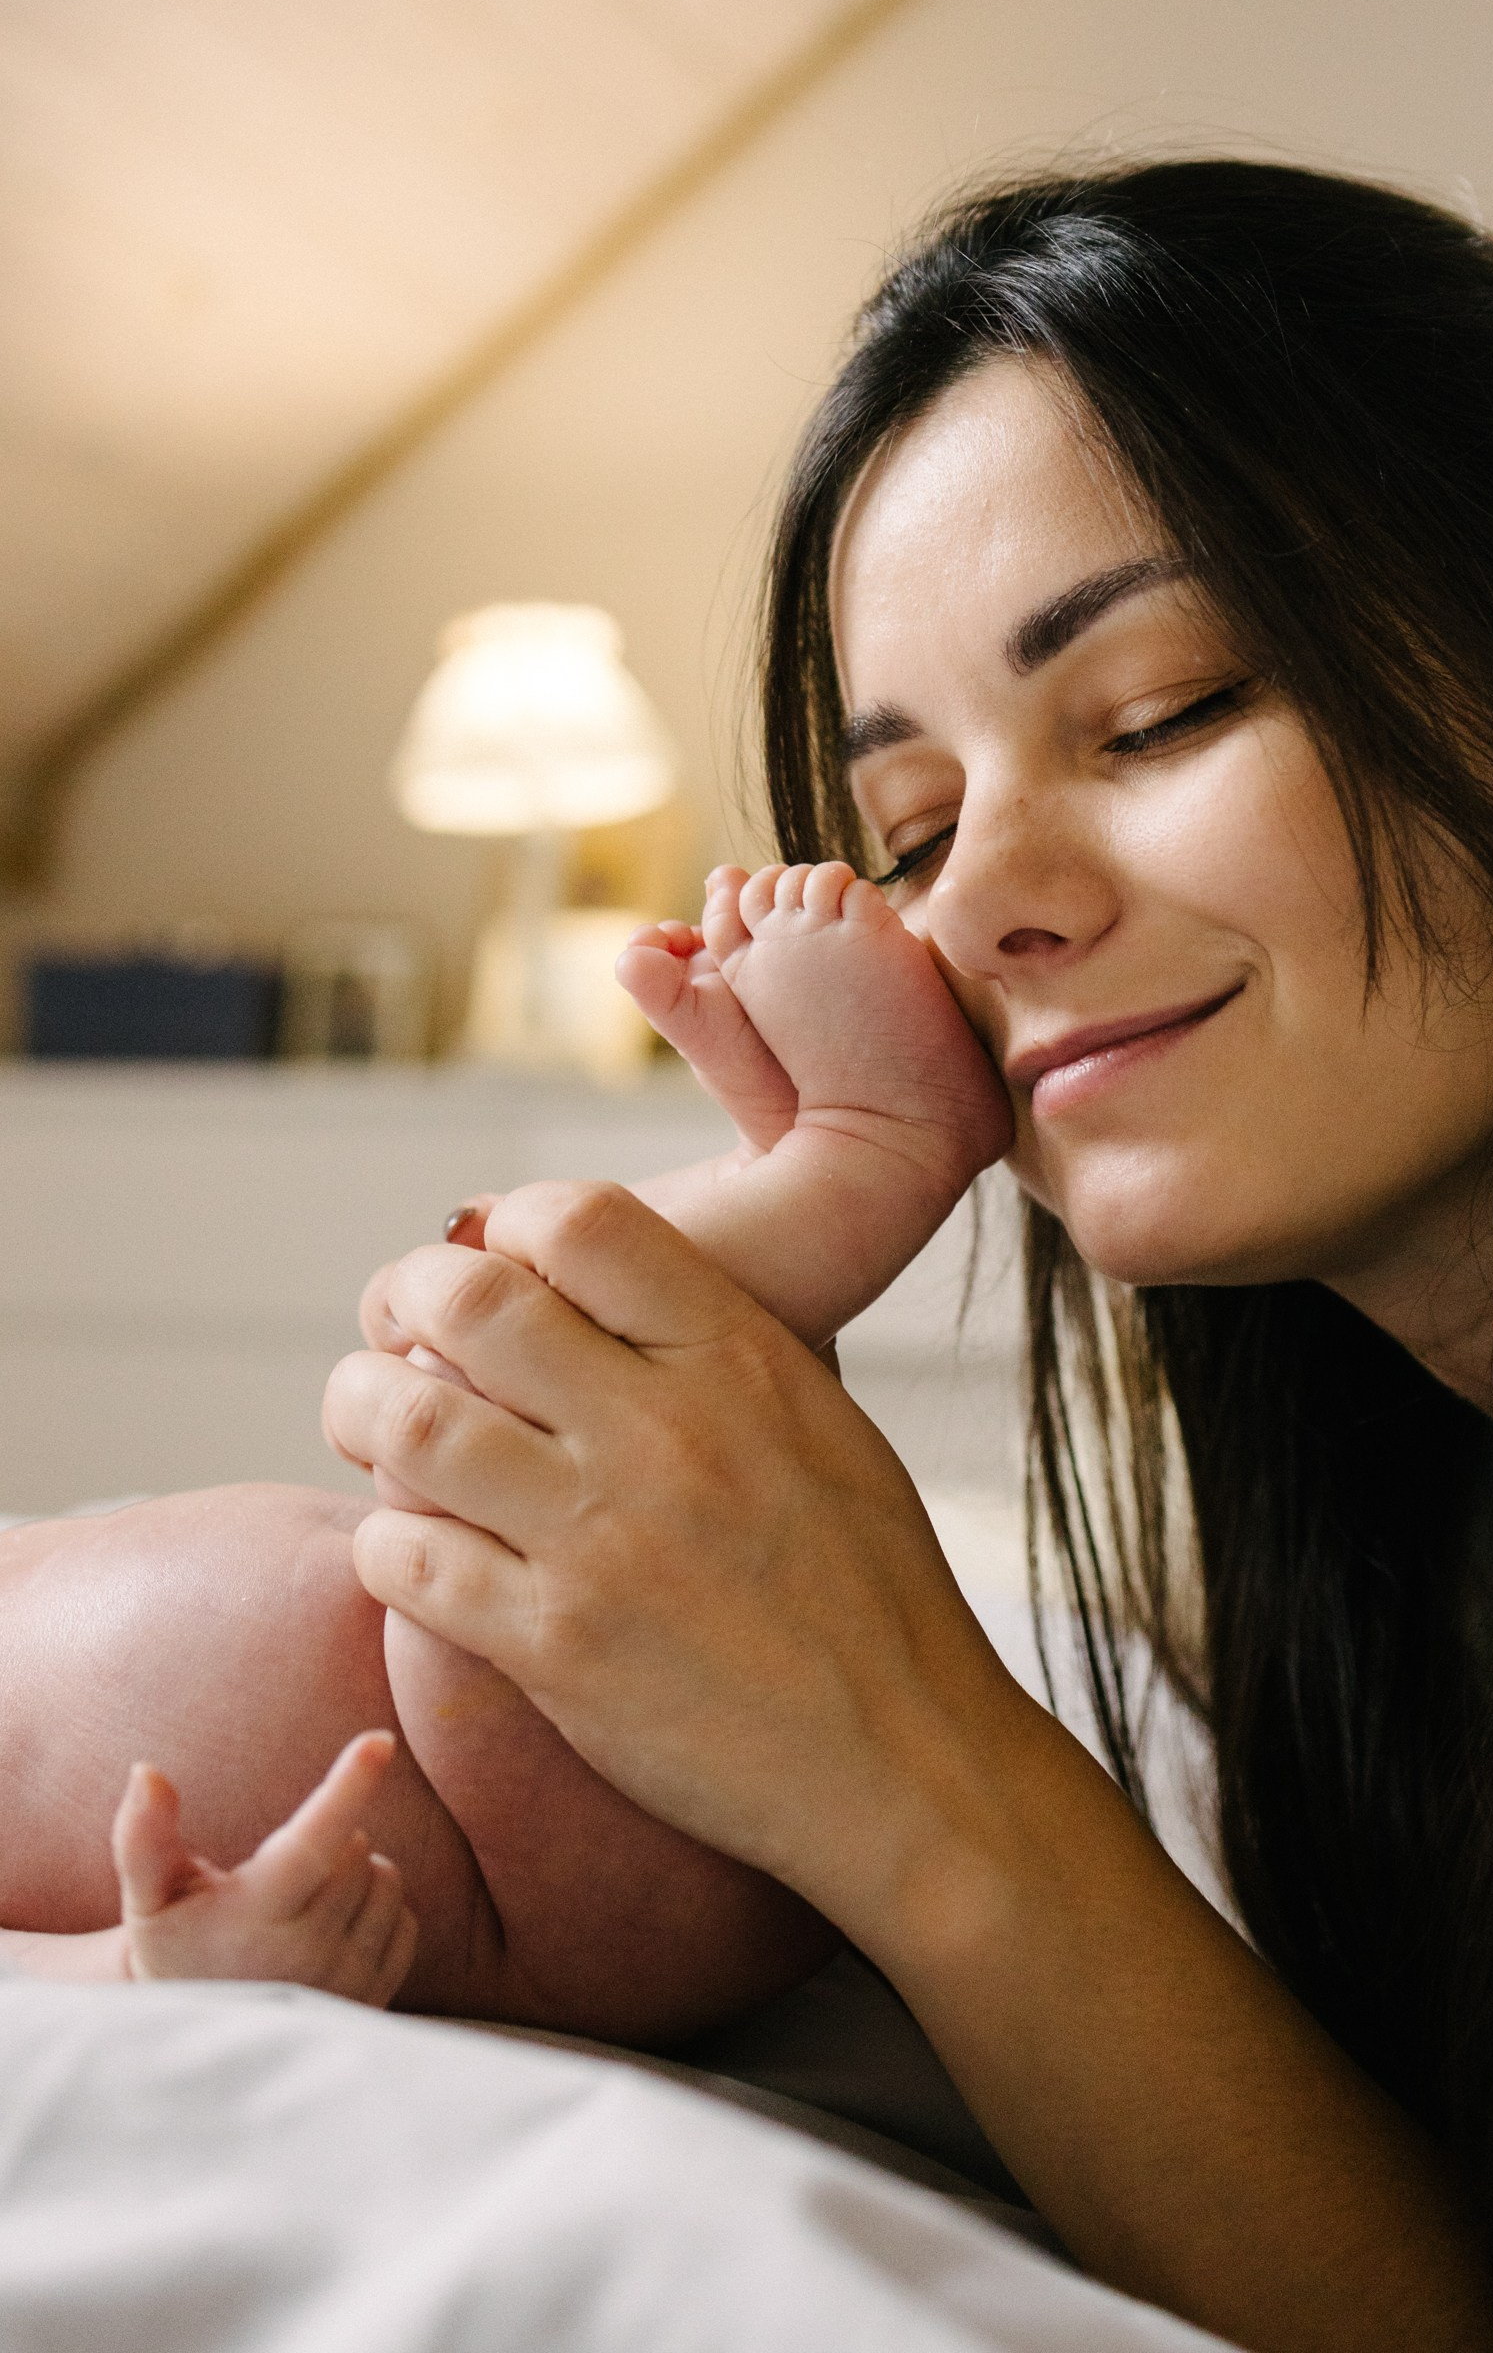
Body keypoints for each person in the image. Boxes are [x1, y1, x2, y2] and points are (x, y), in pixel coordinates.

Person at [323, 162, 1493, 2353]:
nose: (987, 901)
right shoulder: (1415, 1513)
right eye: (910, 831)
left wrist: (911, 1754)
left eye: (1158, 713)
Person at [0, 861, 1005, 2041]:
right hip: (542, 1873)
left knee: (523, 1365)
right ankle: (876, 1148)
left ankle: (784, 1160)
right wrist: (142, 1970)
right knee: (502, 1369)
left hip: (594, 1685)